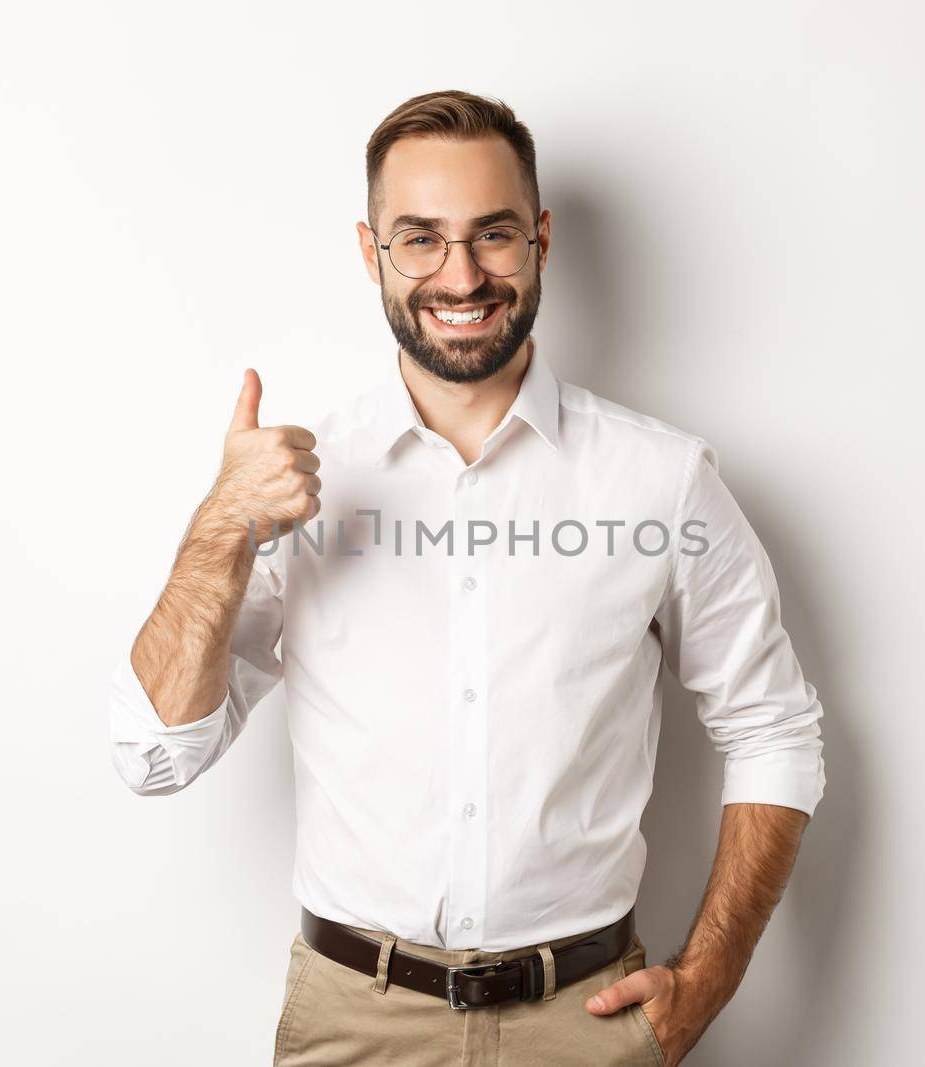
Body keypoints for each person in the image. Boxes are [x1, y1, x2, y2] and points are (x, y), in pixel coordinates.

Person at [108, 89, 826, 1066]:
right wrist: (218, 530)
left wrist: (703, 982)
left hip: (588, 1020)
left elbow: (773, 725)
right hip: (352, 1023)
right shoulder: (293, 483)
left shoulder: (660, 480)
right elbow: (154, 755)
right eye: (420, 239)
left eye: (491, 234)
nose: (460, 274)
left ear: (538, 240)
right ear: (372, 254)